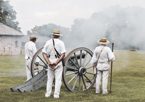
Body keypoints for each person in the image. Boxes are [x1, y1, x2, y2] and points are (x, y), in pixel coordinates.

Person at [42, 30, 66, 98]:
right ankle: (56, 95)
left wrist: (48, 62)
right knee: (58, 79)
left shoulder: (48, 42)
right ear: (59, 35)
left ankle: (48, 94)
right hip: (57, 62)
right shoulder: (61, 43)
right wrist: (56, 62)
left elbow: (44, 53)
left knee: (49, 79)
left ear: (53, 35)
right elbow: (63, 54)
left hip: (50, 61)